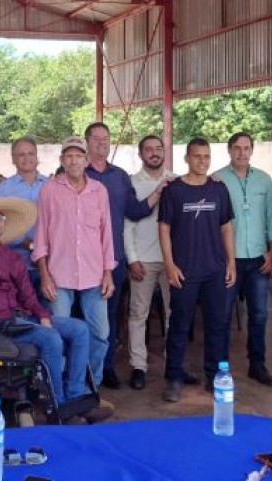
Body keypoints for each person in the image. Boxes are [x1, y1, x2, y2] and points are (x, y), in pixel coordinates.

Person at [0, 197, 114, 424]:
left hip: (19, 320)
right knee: (50, 338)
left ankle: (76, 397)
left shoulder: (12, 257)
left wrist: (43, 315)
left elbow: (28, 296)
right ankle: (57, 408)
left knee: (79, 329)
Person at [83, 122, 165, 390]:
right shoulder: (76, 173)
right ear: (87, 143)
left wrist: (156, 194)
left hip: (114, 258)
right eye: (96, 139)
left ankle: (106, 368)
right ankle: (81, 370)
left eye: (105, 138)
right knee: (80, 318)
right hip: (81, 259)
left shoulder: (120, 177)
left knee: (109, 317)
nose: (102, 143)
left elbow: (135, 211)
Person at [33, 136, 115, 388]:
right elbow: (41, 235)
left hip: (94, 274)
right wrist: (44, 275)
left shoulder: (98, 191)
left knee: (100, 334)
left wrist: (108, 272)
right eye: (68, 156)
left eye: (78, 156)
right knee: (57, 335)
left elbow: (106, 234)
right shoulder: (49, 190)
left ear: (86, 160)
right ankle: (59, 387)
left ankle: (91, 385)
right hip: (58, 275)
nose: (73, 161)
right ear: (61, 160)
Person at [159, 137, 235, 401]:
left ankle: (215, 376)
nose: (202, 161)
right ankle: (174, 378)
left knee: (217, 325)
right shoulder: (174, 190)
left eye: (206, 156)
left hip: (215, 270)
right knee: (179, 326)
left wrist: (231, 262)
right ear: (187, 158)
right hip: (184, 271)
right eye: (197, 156)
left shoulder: (219, 189)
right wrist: (169, 264)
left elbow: (226, 227)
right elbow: (164, 228)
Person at [215, 132, 272, 387]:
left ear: (252, 150)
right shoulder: (217, 179)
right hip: (228, 260)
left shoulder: (264, 180)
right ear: (229, 151)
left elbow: (271, 218)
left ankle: (257, 365)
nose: (242, 153)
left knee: (259, 314)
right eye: (237, 148)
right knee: (223, 316)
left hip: (258, 259)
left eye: (246, 148)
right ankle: (220, 367)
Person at [124, 135, 177, 390]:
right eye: (148, 149)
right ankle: (138, 366)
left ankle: (173, 364)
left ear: (164, 152)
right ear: (141, 154)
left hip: (172, 261)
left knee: (174, 313)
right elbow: (127, 225)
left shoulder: (177, 181)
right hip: (143, 260)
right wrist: (132, 259)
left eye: (158, 148)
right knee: (138, 315)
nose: (154, 153)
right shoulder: (132, 183)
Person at [0, 136, 48, 290]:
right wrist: (26, 243)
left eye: (31, 153)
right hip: (14, 264)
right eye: (21, 154)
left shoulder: (51, 186)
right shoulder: (3, 189)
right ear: (13, 159)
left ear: (37, 157)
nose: (27, 158)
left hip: (48, 264)